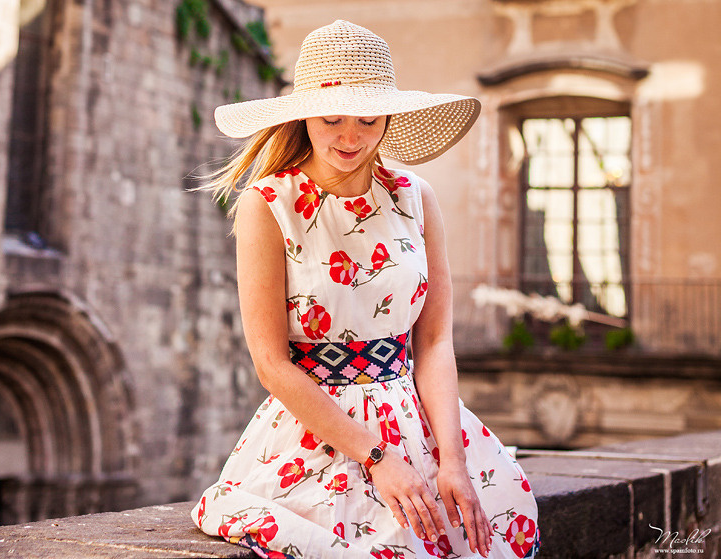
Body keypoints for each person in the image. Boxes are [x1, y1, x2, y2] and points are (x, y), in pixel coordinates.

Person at [191, 20, 539, 559]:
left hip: (421, 426)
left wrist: (452, 459)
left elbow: (433, 343)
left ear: (388, 118)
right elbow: (270, 363)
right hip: (316, 436)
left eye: (367, 119)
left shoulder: (415, 197)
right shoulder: (268, 204)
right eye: (331, 119)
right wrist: (377, 459)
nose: (349, 137)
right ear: (304, 115)